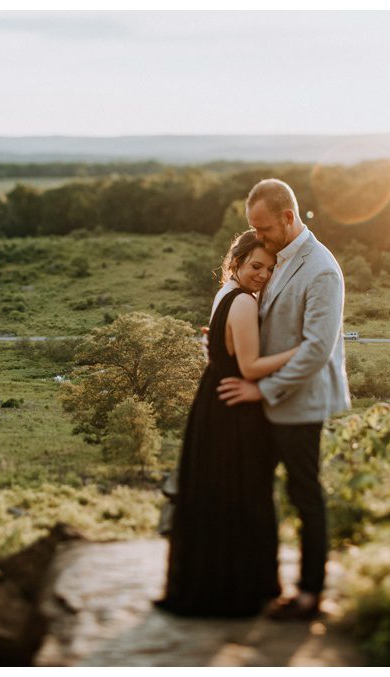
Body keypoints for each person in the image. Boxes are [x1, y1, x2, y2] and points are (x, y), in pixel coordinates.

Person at [216, 179, 352, 621]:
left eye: (263, 227)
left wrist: (262, 388)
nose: (258, 236)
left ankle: (310, 594)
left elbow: (316, 350)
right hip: (266, 401)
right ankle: (263, 581)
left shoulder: (322, 270)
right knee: (257, 491)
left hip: (299, 402)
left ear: (288, 218)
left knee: (304, 495)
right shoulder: (277, 258)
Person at [156, 230, 300, 617]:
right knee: (242, 493)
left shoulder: (225, 294)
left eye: (271, 268)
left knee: (214, 493)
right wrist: (301, 350)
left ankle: (210, 583)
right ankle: (238, 588)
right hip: (234, 405)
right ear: (235, 263)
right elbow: (251, 367)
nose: (264, 275)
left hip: (213, 398)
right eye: (256, 266)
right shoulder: (244, 304)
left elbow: (219, 346)